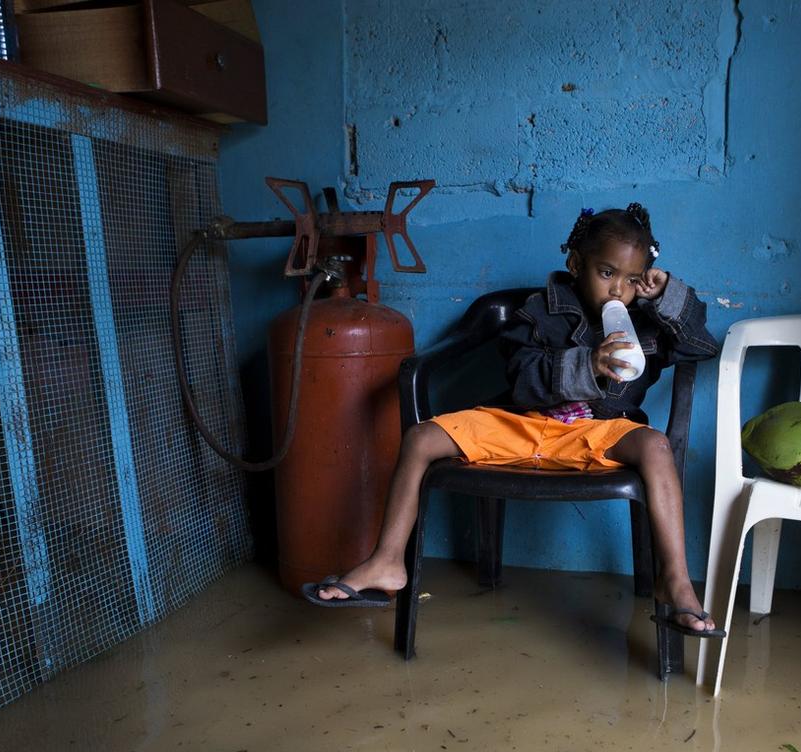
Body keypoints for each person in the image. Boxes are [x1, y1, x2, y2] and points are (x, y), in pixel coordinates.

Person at [303, 203, 723, 637]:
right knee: (422, 439)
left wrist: (668, 293)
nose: (619, 291)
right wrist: (589, 364)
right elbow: (522, 380)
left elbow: (701, 347)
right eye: (606, 273)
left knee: (655, 446)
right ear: (577, 264)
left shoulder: (647, 322)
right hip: (522, 424)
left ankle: (674, 580)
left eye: (632, 280)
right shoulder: (540, 311)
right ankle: (388, 561)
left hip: (595, 432)